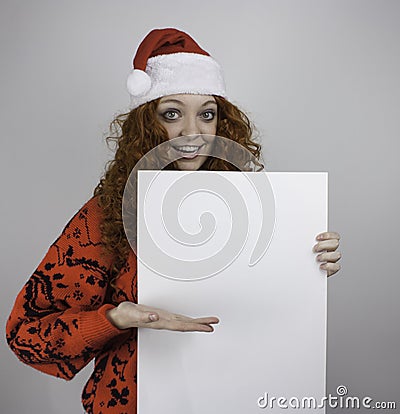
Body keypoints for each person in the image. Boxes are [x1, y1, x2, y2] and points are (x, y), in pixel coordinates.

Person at [5, 28, 342, 414]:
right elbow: (26, 334)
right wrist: (116, 318)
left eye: (207, 115)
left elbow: (265, 309)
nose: (192, 133)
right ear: (147, 123)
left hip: (240, 398)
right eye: (172, 114)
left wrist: (310, 267)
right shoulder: (109, 213)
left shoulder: (257, 210)